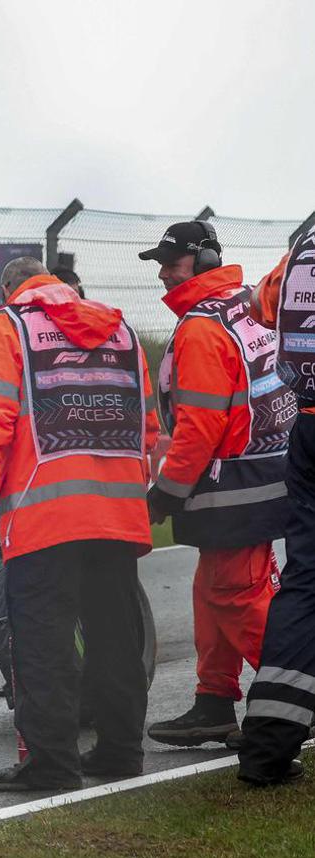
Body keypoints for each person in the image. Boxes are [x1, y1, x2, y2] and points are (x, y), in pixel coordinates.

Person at [0, 257, 158, 791]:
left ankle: (53, 763)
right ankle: (120, 751)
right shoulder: (121, 330)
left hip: (44, 516)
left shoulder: (8, 326)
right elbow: (148, 424)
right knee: (115, 636)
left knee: (43, 642)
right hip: (117, 514)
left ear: (8, 288)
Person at [139, 221, 292, 749]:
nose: (162, 274)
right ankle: (213, 702)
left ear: (202, 262)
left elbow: (199, 425)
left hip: (232, 486)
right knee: (212, 590)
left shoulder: (202, 327)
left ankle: (300, 696)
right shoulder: (245, 307)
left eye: (171, 263)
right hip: (265, 472)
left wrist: (165, 491)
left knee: (236, 593)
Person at [236, 224, 315, 786]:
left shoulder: (304, 245)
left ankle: (266, 745)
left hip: (306, 427)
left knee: (305, 583)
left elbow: (266, 306)